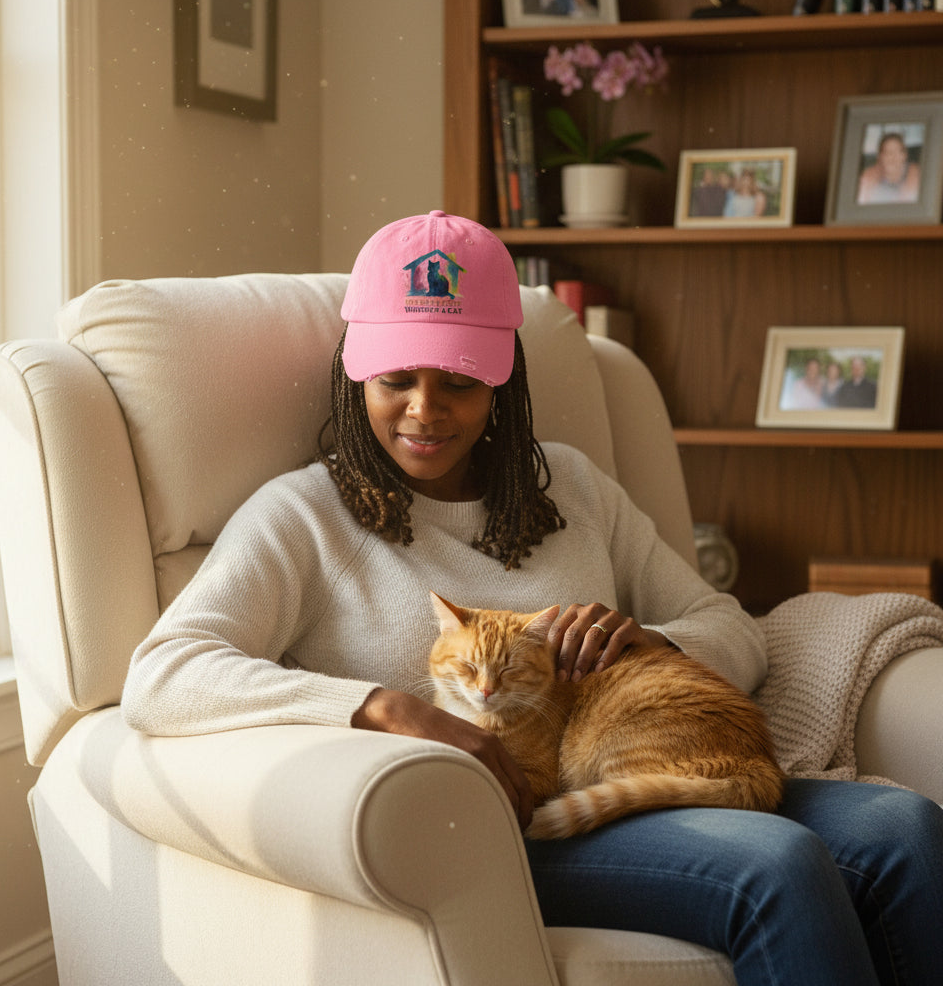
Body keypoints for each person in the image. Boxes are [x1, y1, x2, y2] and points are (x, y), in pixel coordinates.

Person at [121, 211, 943, 986]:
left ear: (503, 382)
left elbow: (731, 625)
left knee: (904, 833)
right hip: (493, 822)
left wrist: (650, 641)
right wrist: (388, 709)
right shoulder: (303, 515)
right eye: (395, 380)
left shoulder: (575, 487)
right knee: (777, 867)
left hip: (638, 762)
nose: (425, 411)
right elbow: (164, 673)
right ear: (353, 376)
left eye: (459, 384)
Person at [857, 131, 921, 204]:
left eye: (897, 152)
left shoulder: (915, 175)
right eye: (887, 152)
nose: (892, 157)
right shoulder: (868, 178)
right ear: (879, 157)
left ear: (905, 155)